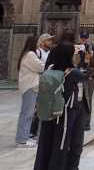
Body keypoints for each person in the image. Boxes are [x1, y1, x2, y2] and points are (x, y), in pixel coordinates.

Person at [34, 41, 88, 170]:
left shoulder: (50, 68)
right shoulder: (72, 72)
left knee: (47, 144)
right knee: (61, 145)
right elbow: (87, 75)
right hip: (66, 114)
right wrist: (84, 58)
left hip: (50, 112)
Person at [15, 35, 44, 147]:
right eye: (37, 42)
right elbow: (40, 67)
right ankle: (22, 140)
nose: (38, 45)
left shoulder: (27, 54)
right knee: (27, 113)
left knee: (27, 113)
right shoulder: (30, 55)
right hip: (30, 87)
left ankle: (23, 137)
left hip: (29, 87)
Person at [30, 34, 54, 139]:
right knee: (36, 109)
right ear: (43, 41)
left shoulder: (49, 52)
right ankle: (32, 132)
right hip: (39, 83)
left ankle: (41, 132)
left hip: (47, 83)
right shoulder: (38, 52)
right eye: (48, 41)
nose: (50, 43)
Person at [78, 31, 94, 130]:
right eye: (82, 38)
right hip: (78, 76)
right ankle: (78, 121)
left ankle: (86, 123)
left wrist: (92, 75)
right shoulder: (77, 47)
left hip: (88, 78)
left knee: (88, 100)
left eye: (85, 38)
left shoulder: (93, 48)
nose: (83, 40)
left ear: (88, 38)